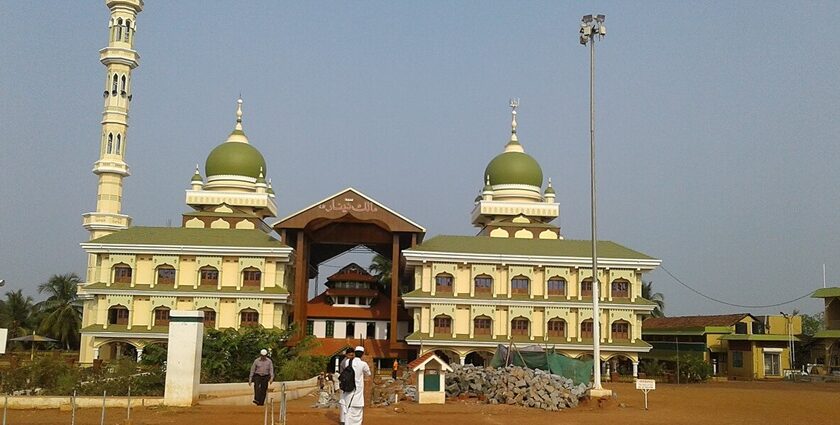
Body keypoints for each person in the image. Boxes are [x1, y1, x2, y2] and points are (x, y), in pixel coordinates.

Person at [341, 346, 371, 425]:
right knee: (357, 412)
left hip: (348, 391)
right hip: (357, 392)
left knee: (348, 411)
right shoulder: (363, 364)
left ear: (355, 353)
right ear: (362, 354)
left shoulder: (348, 362)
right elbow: (368, 373)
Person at [338, 348, 355, 425]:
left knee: (346, 402)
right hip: (344, 384)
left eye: (352, 355)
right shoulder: (345, 362)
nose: (351, 356)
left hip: (348, 384)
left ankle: (345, 419)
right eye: (350, 355)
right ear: (346, 355)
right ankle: (343, 420)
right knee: (344, 402)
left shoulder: (349, 361)